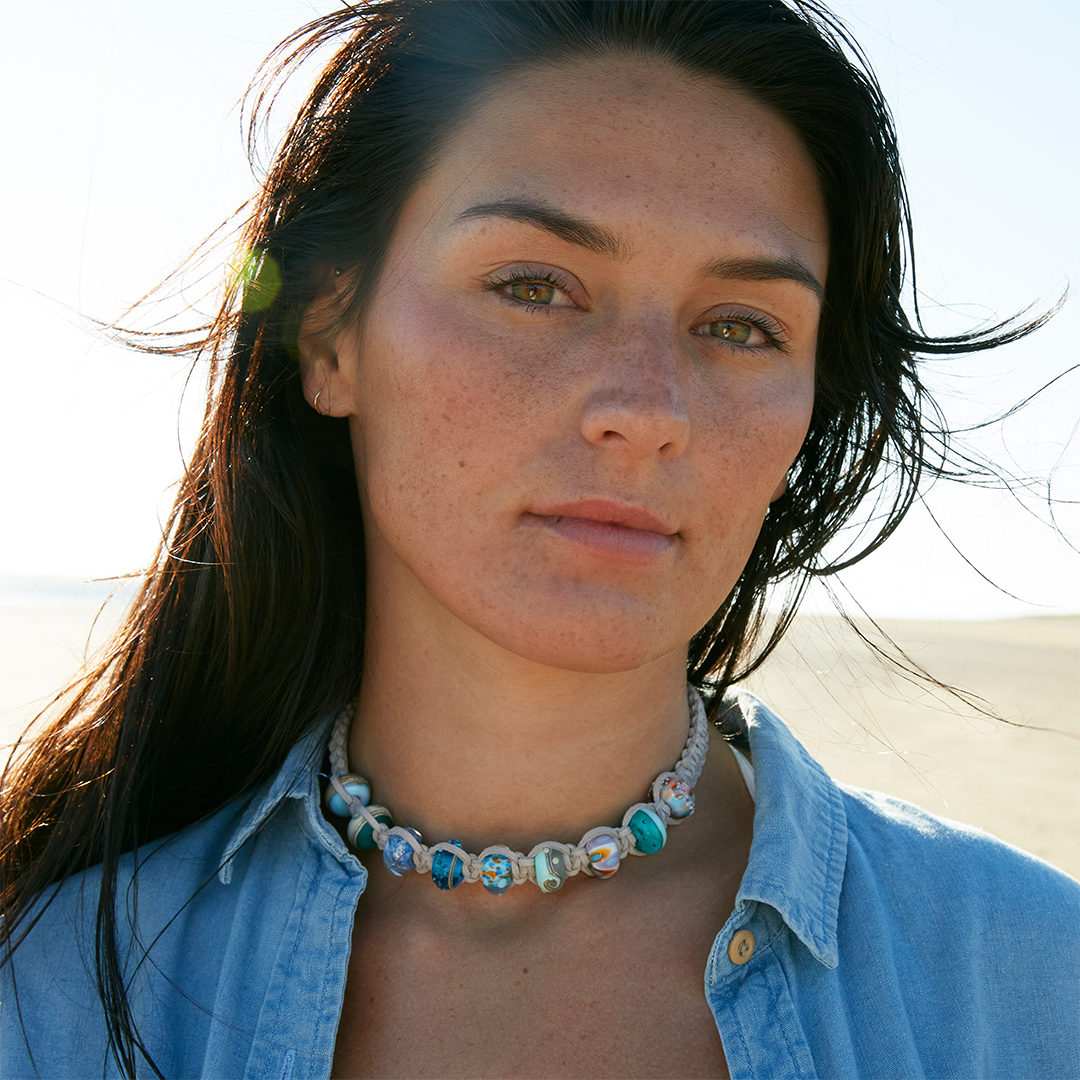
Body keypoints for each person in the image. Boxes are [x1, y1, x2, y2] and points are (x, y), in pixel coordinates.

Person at [2, 0, 1078, 1077]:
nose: (649, 408)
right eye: (533, 287)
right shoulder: (49, 992)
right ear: (330, 337)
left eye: (741, 327)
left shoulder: (1035, 981)